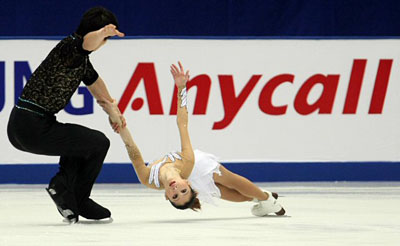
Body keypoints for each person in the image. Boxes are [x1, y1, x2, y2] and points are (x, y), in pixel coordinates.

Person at [103, 62, 285, 216]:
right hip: (194, 166)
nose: (176, 190)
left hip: (196, 168)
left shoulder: (148, 179)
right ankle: (263, 197)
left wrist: (119, 123)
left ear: (166, 195)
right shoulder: (186, 162)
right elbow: (182, 122)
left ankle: (266, 200)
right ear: (189, 185)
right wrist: (182, 88)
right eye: (183, 192)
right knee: (228, 191)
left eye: (174, 195)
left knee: (231, 182)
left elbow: (131, 146)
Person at [7, 6, 126, 223]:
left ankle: (65, 192)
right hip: (30, 125)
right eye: (104, 38)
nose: (104, 43)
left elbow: (96, 84)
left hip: (27, 124)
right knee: (99, 143)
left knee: (84, 142)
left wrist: (112, 111)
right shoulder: (72, 47)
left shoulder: (81, 61)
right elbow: (85, 43)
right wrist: (102, 33)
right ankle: (78, 198)